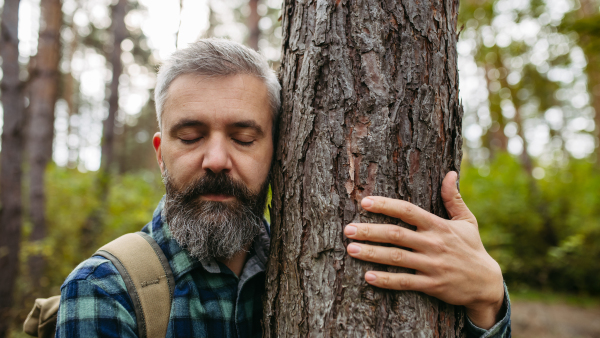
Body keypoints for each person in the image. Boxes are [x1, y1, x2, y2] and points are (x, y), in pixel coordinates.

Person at [56, 38, 510, 338]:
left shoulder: (311, 264)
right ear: (160, 151)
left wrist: (487, 303)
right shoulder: (105, 291)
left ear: (280, 152)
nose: (216, 159)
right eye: (190, 137)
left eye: (244, 138)